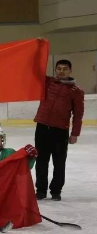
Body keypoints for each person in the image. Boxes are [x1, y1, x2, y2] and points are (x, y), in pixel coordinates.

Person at [33, 60, 85, 201]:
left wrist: (75, 133)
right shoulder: (48, 82)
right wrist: (39, 48)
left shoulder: (76, 91)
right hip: (42, 127)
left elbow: (78, 115)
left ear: (70, 71)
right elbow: (34, 70)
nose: (61, 71)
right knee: (41, 161)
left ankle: (56, 190)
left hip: (60, 130)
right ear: (55, 70)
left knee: (59, 162)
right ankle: (41, 190)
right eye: (59, 68)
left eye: (65, 69)